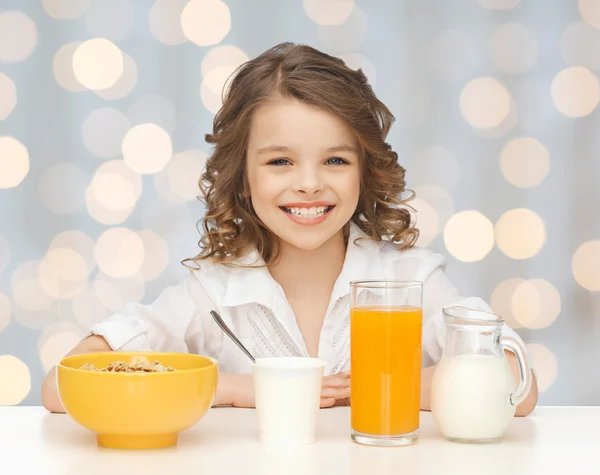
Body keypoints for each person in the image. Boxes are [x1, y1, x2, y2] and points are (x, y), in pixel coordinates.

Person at [42, 42, 538, 414]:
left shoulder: (412, 282)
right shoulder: (211, 295)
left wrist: (388, 384)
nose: (308, 184)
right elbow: (62, 385)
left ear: (365, 169)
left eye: (335, 160)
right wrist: (237, 389)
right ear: (243, 175)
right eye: (280, 160)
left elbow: (519, 385)